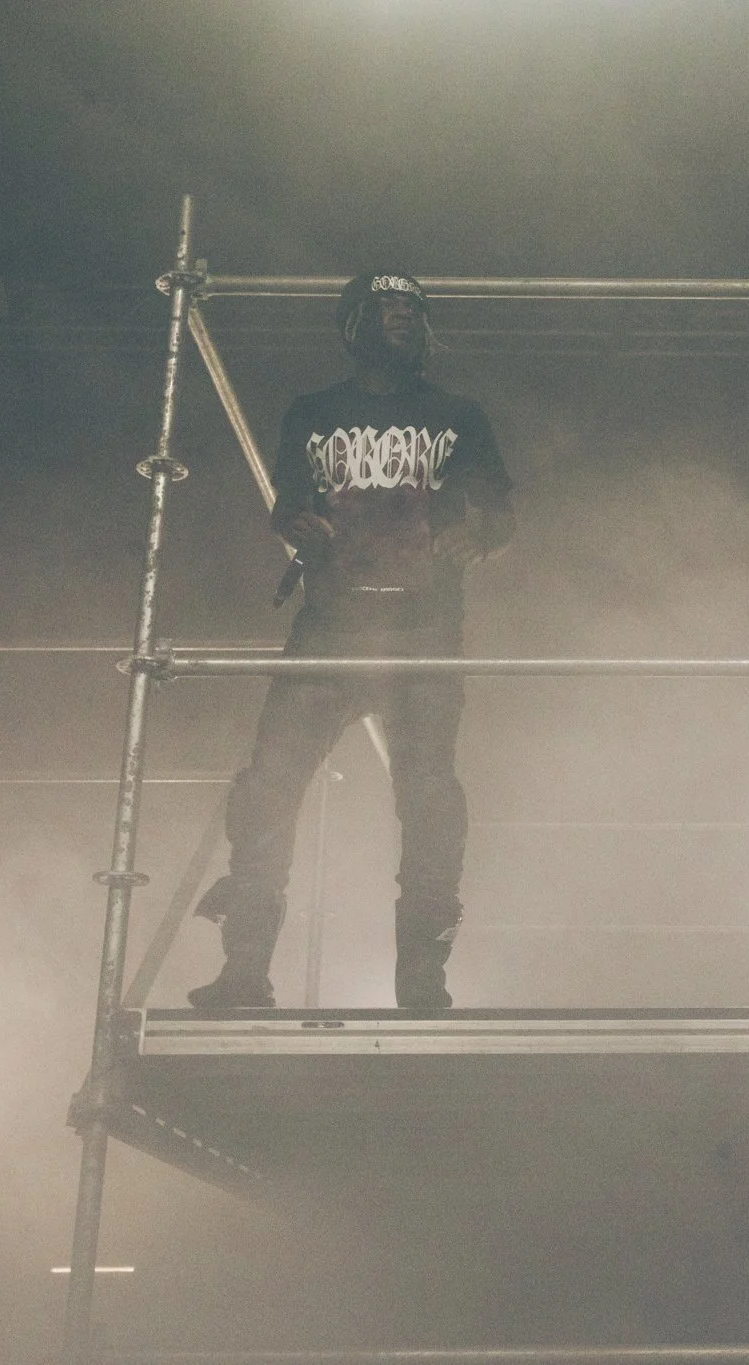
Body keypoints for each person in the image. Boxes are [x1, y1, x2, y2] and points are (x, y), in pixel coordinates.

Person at [188, 272, 514, 1011]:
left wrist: (479, 538)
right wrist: (295, 523)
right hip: (329, 627)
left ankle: (422, 980)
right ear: (353, 324)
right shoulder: (314, 413)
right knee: (268, 788)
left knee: (430, 799)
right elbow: (286, 505)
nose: (404, 317)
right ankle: (245, 969)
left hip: (424, 633)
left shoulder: (457, 415)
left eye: (414, 309)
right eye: (388, 306)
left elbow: (501, 514)